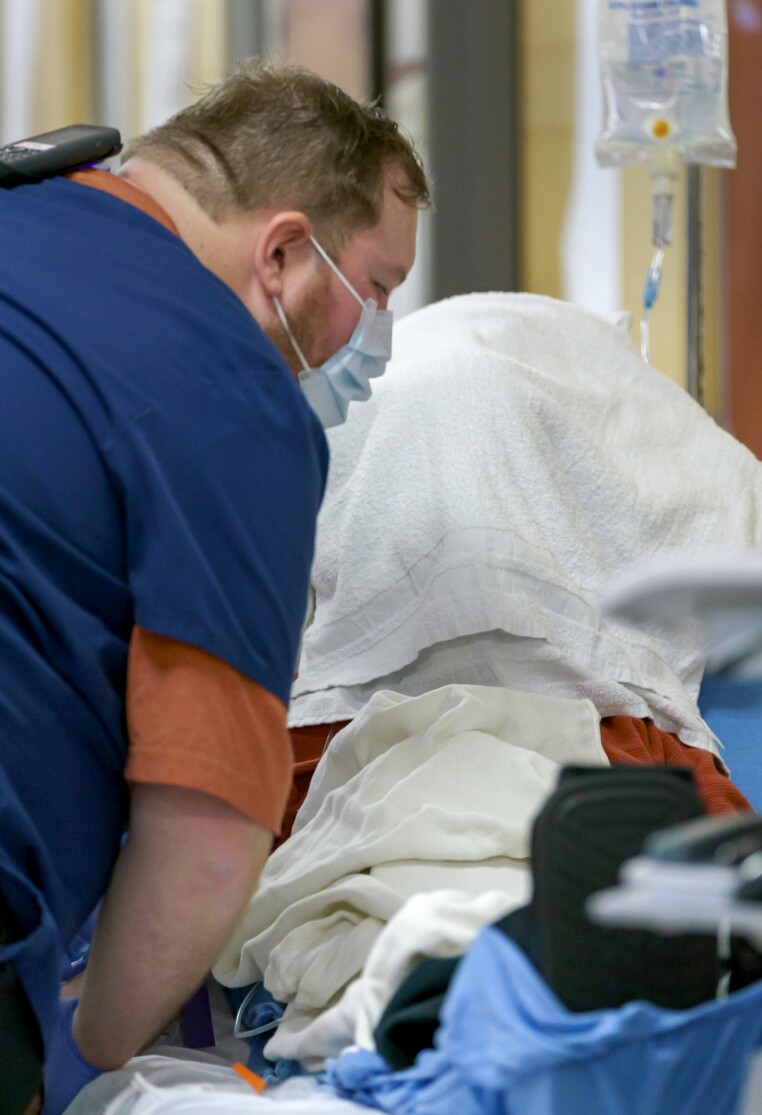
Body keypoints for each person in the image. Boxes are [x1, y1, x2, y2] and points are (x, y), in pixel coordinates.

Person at [0, 63, 429, 1114]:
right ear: (283, 251)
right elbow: (204, 837)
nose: (374, 335)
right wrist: (87, 1051)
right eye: (373, 290)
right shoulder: (229, 401)